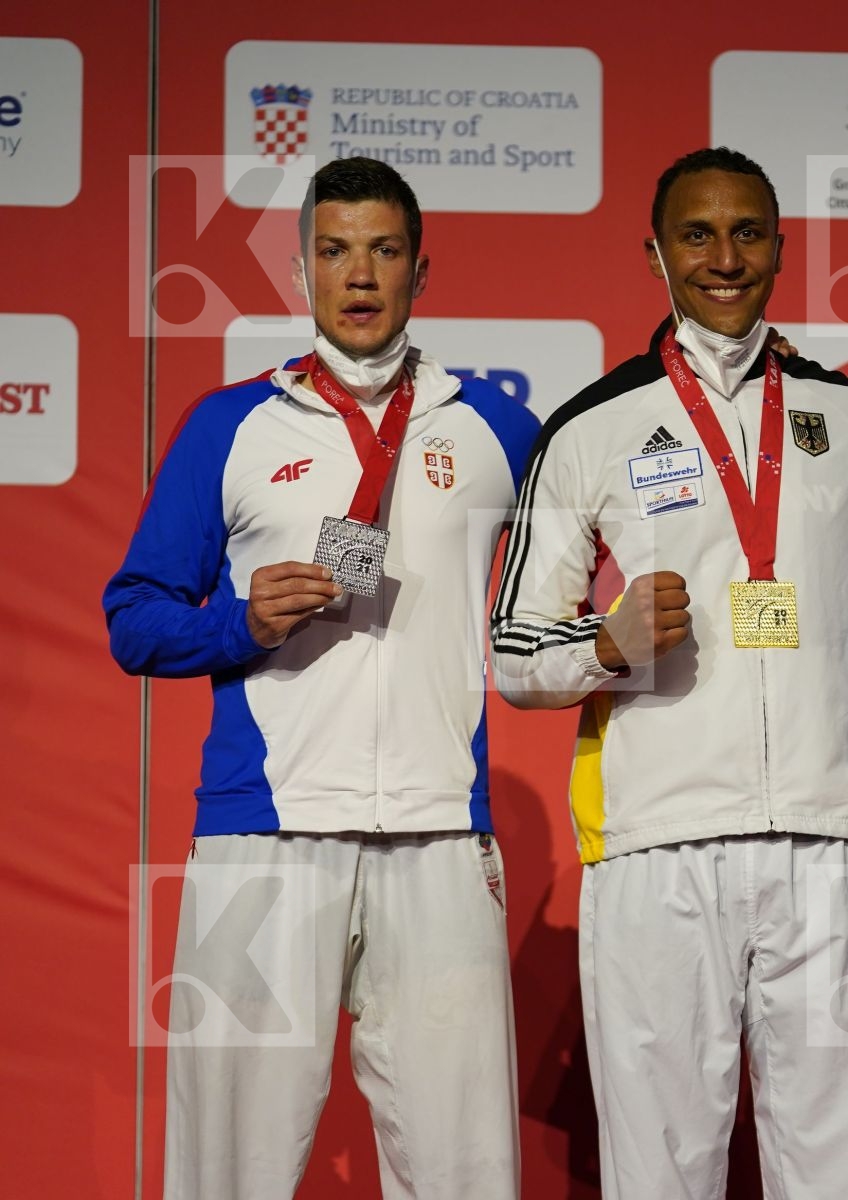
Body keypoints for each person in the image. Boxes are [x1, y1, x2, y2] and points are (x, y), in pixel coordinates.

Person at [104, 156, 538, 1199]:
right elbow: (135, 618)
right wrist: (240, 622)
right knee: (225, 1171)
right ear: (301, 271)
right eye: (336, 250)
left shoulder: (500, 430)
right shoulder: (228, 425)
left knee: (464, 1173)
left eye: (384, 251)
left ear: (420, 272)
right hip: (263, 836)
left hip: (437, 834)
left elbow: (562, 608)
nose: (359, 274)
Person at [488, 147, 848, 1198]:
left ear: (780, 245)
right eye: (696, 235)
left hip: (830, 845)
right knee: (660, 1175)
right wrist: (607, 643)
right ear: (654, 254)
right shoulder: (591, 428)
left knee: (847, 1175)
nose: (725, 258)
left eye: (749, 233)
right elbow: (511, 654)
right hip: (657, 850)